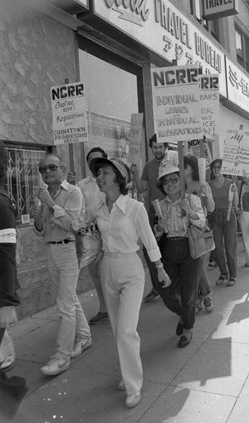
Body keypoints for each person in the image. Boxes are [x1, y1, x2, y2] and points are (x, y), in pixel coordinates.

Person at [89, 157, 170, 409]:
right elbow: (93, 236)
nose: (99, 177)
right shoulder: (99, 208)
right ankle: (127, 373)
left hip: (131, 269)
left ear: (118, 178)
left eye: (104, 172)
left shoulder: (135, 208)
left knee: (126, 330)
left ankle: (134, 385)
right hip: (107, 268)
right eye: (98, 173)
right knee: (117, 330)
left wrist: (160, 269)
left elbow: (148, 240)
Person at [30, 154, 91, 376]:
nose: (47, 172)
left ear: (62, 169)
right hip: (51, 250)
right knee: (69, 297)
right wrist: (37, 219)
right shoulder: (45, 195)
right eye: (42, 169)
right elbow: (42, 230)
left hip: (68, 249)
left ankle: (62, 356)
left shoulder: (73, 192)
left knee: (64, 303)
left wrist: (50, 203)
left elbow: (73, 225)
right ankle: (84, 336)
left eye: (52, 167)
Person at [154, 162, 205, 348]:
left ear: (180, 181)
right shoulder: (159, 205)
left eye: (174, 180)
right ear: (162, 185)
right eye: (166, 181)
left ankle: (187, 328)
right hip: (168, 250)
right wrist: (159, 226)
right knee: (166, 292)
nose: (170, 184)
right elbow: (156, 234)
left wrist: (190, 212)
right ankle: (184, 315)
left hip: (190, 249)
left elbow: (202, 222)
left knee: (189, 294)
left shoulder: (192, 200)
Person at [0, 143, 28, 419]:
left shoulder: (1, 203)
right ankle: (11, 391)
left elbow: (7, 253)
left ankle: (11, 392)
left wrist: (7, 301)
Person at [131, 134, 176, 303]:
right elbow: (142, 187)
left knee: (170, 248)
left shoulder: (172, 162)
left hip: (171, 211)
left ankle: (172, 284)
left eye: (160, 147)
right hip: (153, 213)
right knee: (148, 249)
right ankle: (157, 286)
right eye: (154, 147)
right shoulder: (149, 166)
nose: (157, 150)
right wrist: (135, 174)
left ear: (165, 147)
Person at [76, 147, 108, 325]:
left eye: (98, 159)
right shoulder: (81, 185)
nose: (94, 163)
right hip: (90, 234)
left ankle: (117, 308)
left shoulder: (110, 181)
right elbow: (79, 210)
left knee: (111, 272)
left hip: (110, 233)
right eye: (90, 160)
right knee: (96, 274)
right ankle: (104, 308)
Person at [183, 155, 215, 314]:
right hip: (182, 231)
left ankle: (206, 296)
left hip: (199, 230)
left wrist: (206, 195)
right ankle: (198, 298)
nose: (182, 169)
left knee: (198, 267)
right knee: (190, 267)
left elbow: (211, 208)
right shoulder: (178, 185)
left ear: (192, 168)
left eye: (185, 166)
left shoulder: (202, 184)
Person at [209, 159, 238, 286]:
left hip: (229, 215)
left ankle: (233, 275)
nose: (216, 169)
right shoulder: (209, 185)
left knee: (229, 247)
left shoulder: (231, 183)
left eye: (219, 167)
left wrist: (235, 192)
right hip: (215, 216)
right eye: (214, 167)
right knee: (217, 248)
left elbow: (236, 203)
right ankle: (223, 273)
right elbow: (208, 205)